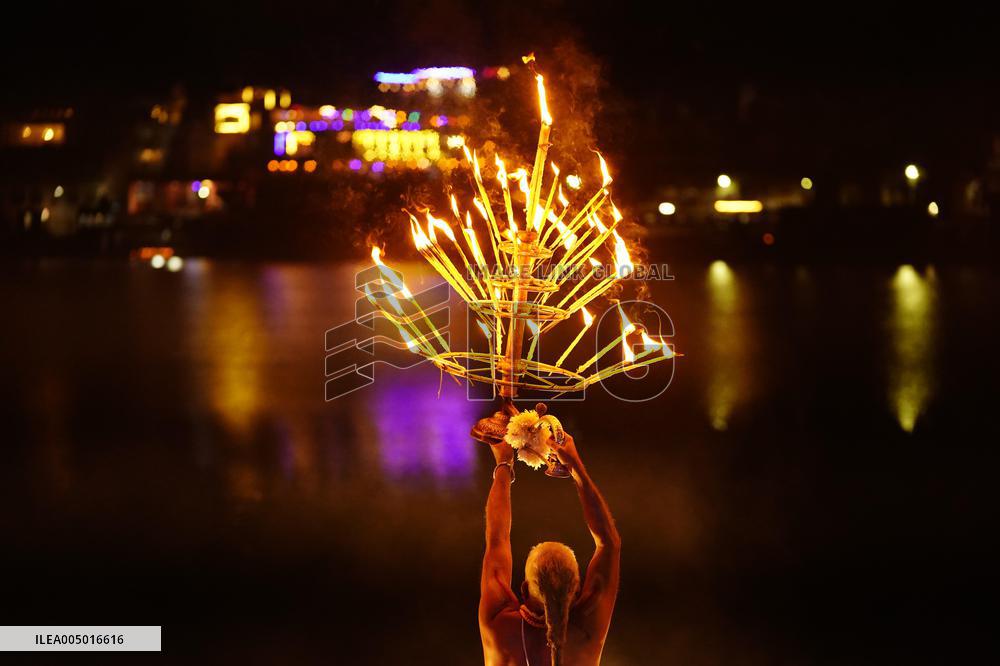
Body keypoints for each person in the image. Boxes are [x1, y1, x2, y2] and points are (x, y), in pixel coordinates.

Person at [479, 432, 621, 665]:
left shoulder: (498, 624)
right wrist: (575, 466)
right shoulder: (587, 630)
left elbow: (497, 540)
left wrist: (504, 462)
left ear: (523, 590)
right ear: (576, 592)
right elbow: (609, 543)